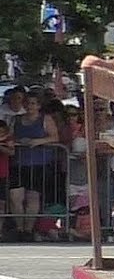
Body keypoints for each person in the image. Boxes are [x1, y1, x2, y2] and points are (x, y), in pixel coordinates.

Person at [9, 93, 61, 241]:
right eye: (27, 103)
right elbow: (11, 137)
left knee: (33, 197)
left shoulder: (45, 119)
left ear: (38, 105)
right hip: (19, 163)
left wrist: (38, 141)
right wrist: (16, 141)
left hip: (39, 163)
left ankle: (28, 230)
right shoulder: (16, 119)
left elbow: (55, 137)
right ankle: (20, 228)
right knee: (15, 197)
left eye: (33, 103)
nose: (30, 106)